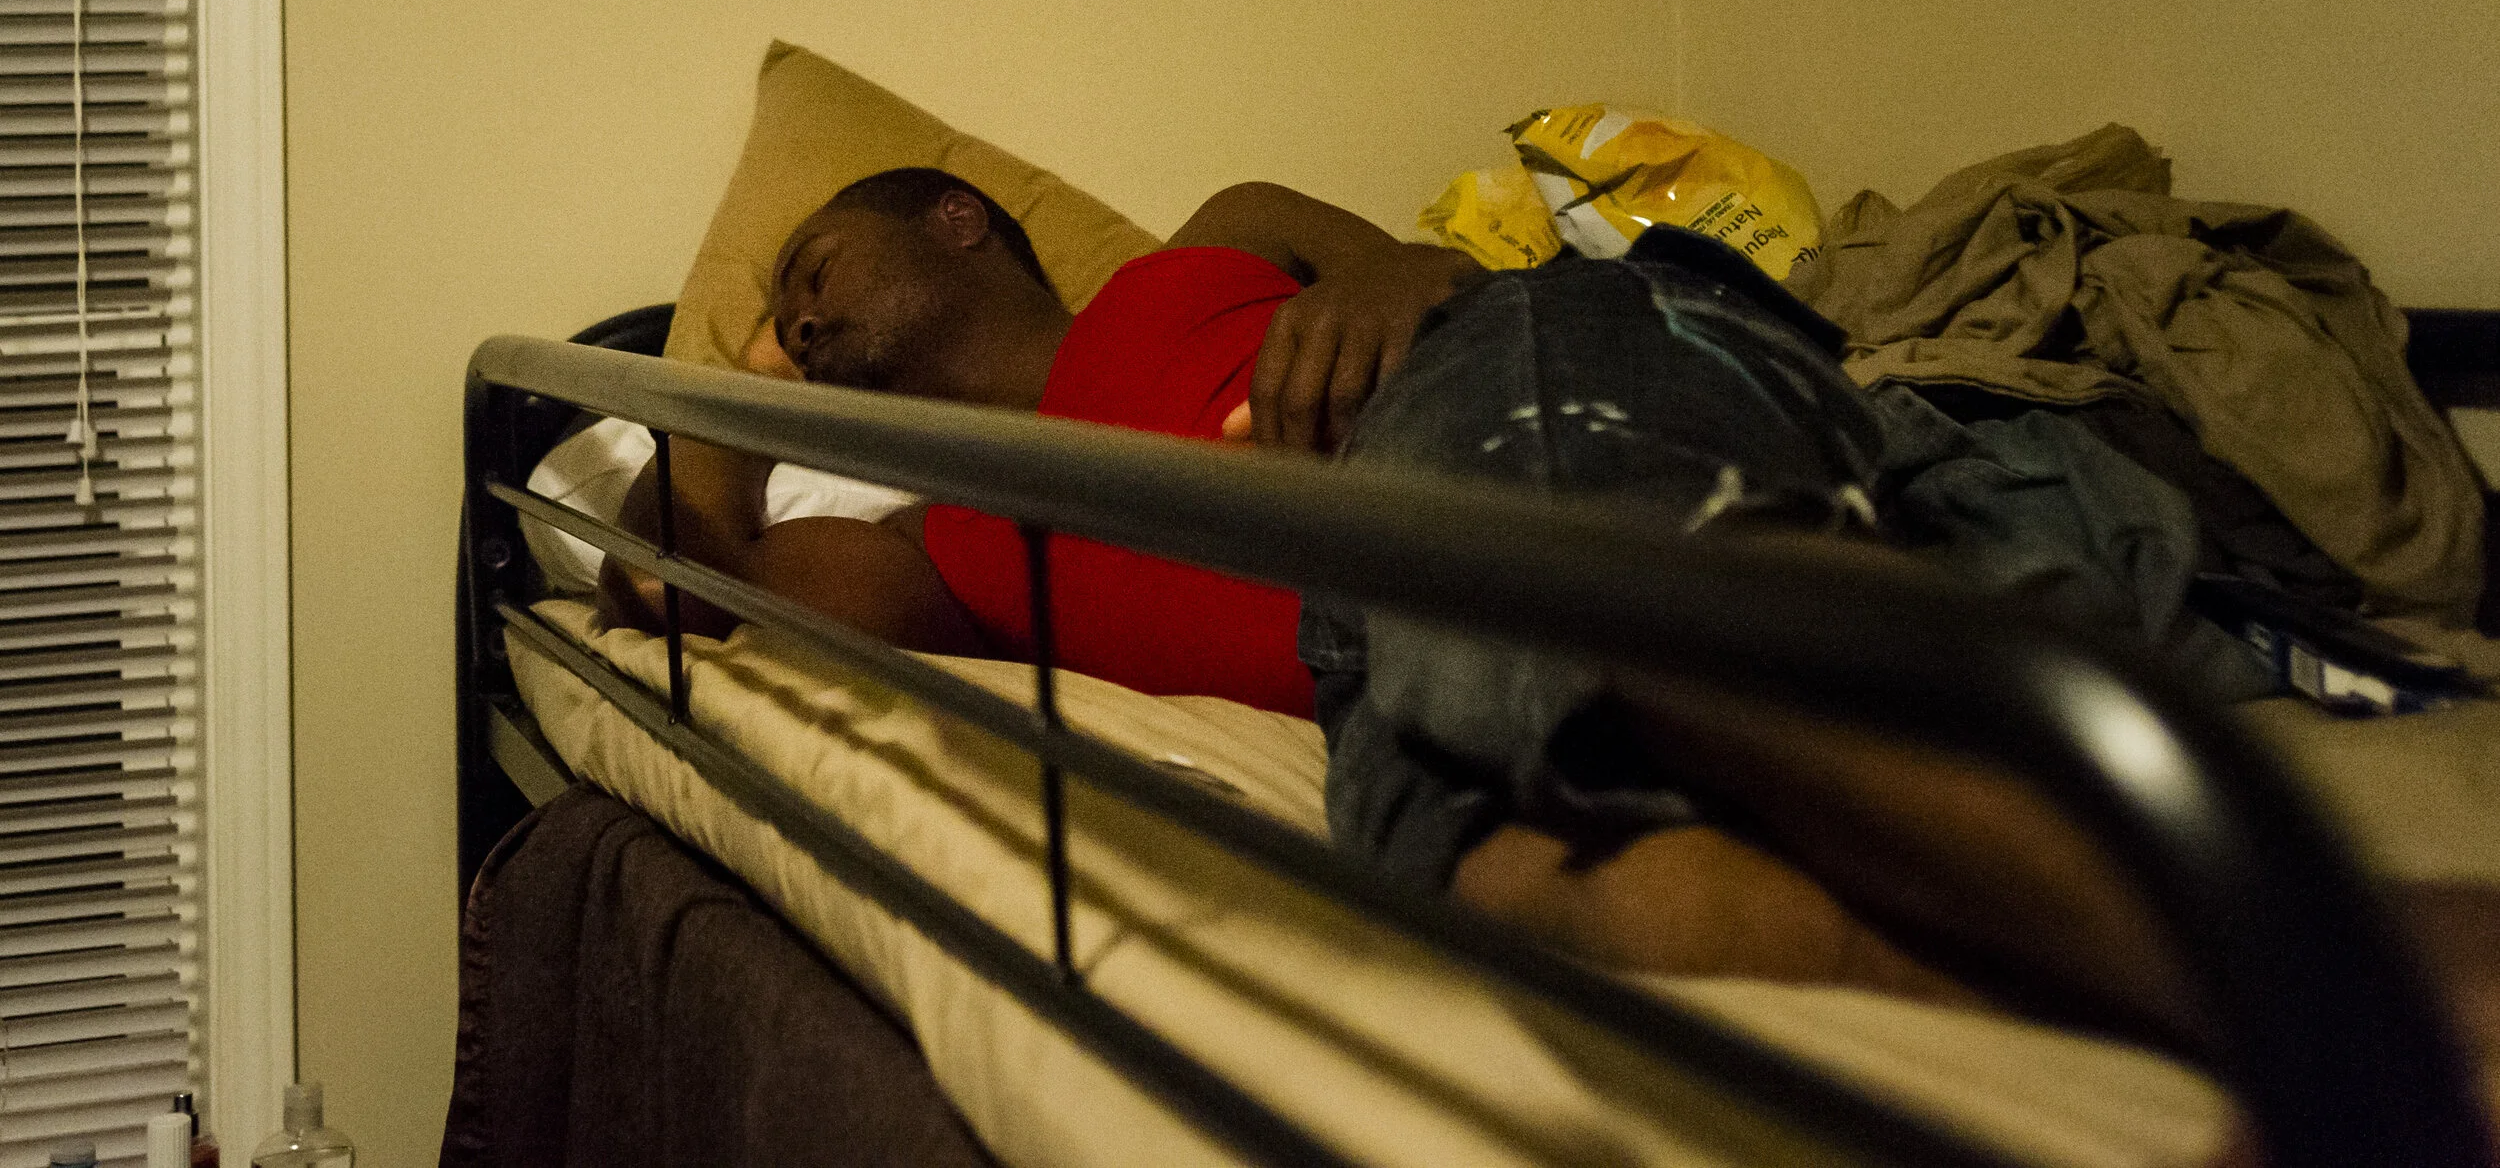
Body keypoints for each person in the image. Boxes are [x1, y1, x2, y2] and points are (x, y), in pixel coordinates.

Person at [602, 166, 2500, 1116]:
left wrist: (1380, 283)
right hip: (1396, 642)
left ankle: (2344, 979)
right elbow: (706, 602)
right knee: (1530, 884)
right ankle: (2252, 1013)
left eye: (817, 276)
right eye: (777, 315)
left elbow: (1449, 273)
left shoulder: (1199, 251)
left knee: (1636, 608)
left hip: (1502, 402)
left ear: (954, 223)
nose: (797, 319)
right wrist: (705, 412)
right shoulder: (962, 539)